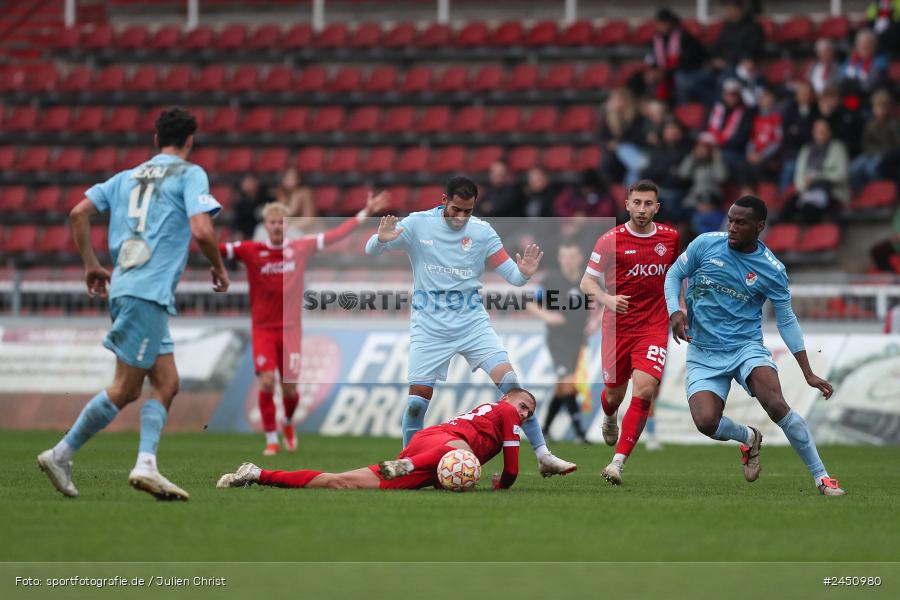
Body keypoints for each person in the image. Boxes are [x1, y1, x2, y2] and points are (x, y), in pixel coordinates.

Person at [37, 107, 229, 500]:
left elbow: (78, 213)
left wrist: (92, 265)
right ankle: (61, 453)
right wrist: (218, 267)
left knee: (167, 382)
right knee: (125, 388)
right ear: (190, 141)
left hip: (129, 286)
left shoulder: (126, 177)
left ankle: (146, 464)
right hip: (147, 291)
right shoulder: (189, 173)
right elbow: (201, 228)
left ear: (156, 140)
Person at [364, 176, 576, 477]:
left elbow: (513, 277)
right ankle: (409, 466)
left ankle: (543, 455)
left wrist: (525, 273)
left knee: (514, 388)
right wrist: (381, 239)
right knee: (415, 405)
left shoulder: (482, 232)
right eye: (456, 209)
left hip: (472, 324)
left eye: (468, 211)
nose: (461, 217)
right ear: (443, 200)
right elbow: (371, 250)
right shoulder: (418, 224)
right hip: (430, 327)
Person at [664, 196, 845, 496]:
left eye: (740, 222)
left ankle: (822, 478)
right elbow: (674, 275)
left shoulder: (772, 269)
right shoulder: (705, 244)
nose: (732, 227)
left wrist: (808, 373)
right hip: (704, 351)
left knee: (776, 404)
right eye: (730, 220)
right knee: (706, 422)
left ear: (759, 227)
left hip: (745, 347)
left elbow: (787, 321)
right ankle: (748, 437)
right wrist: (674, 310)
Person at [221, 193, 389, 455]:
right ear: (266, 226)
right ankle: (270, 440)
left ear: (286, 224)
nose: (277, 226)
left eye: (281, 222)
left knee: (290, 390)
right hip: (263, 329)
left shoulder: (299, 247)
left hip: (290, 330)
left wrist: (364, 213)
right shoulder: (251, 251)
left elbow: (335, 236)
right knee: (266, 382)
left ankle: (287, 423)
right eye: (272, 223)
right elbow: (217, 248)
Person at [216, 388, 536, 491]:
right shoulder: (505, 413)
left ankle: (257, 474)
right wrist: (502, 484)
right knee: (461, 458)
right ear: (506, 397)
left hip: (429, 451)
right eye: (522, 405)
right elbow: (512, 471)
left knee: (344, 483)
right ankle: (403, 466)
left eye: (528, 414)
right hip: (441, 446)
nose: (522, 414)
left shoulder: (497, 414)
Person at [580, 180, 679, 484]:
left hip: (653, 325)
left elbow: (676, 277)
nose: (642, 209)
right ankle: (610, 417)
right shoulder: (609, 240)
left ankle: (617, 463)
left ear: (657, 207)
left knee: (646, 389)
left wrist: (679, 309)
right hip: (617, 328)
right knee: (613, 394)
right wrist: (608, 299)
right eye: (637, 203)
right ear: (627, 204)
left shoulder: (670, 238)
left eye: (648, 204)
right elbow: (587, 283)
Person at [525, 239, 591, 443]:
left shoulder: (586, 280)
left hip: (578, 340)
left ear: (580, 258)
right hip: (558, 339)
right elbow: (531, 304)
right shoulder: (551, 280)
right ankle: (580, 433)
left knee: (563, 386)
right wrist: (549, 317)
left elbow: (600, 302)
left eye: (572, 256)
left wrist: (595, 323)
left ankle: (544, 429)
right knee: (568, 382)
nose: (567, 261)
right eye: (564, 256)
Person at [784, 118, 849, 223]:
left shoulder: (838, 148)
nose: (821, 133)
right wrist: (803, 188)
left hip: (832, 193)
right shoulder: (806, 149)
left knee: (810, 210)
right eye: (818, 131)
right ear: (813, 133)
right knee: (787, 207)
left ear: (830, 132)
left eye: (824, 131)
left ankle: (815, 237)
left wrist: (817, 177)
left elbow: (842, 175)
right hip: (807, 191)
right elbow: (799, 174)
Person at [646, 8, 710, 105]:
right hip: (667, 72)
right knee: (649, 78)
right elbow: (653, 58)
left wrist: (666, 73)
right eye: (659, 23)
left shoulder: (684, 37)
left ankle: (683, 108)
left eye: (664, 23)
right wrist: (654, 70)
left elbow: (688, 62)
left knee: (680, 78)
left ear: (671, 22)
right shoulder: (657, 39)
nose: (661, 26)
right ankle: (657, 108)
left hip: (690, 72)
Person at [850, 89, 900, 193]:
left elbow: (896, 145)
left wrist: (881, 152)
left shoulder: (894, 123)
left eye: (883, 107)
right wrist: (871, 152)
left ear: (888, 108)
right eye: (877, 107)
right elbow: (865, 143)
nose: (880, 110)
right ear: (873, 109)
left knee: (872, 168)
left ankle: (878, 192)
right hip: (870, 153)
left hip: (886, 154)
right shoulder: (870, 124)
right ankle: (860, 192)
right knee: (854, 167)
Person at [599, 88, 651, 186]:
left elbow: (638, 136)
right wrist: (609, 144)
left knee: (624, 150)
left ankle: (630, 187)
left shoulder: (636, 116)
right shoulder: (606, 118)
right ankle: (638, 165)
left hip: (634, 147)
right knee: (622, 152)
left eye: (623, 100)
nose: (620, 103)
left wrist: (619, 142)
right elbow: (602, 138)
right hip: (614, 154)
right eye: (617, 100)